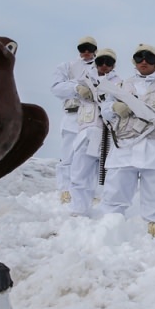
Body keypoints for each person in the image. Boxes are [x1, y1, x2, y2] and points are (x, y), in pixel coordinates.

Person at [99, 44, 155, 239]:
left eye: (149, 57)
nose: (144, 61)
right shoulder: (121, 87)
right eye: (140, 57)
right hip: (124, 147)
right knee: (115, 192)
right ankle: (109, 234)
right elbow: (105, 110)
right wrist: (114, 107)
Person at [67, 48, 120, 216]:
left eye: (108, 62)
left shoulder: (120, 84)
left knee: (108, 174)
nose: (104, 65)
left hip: (107, 133)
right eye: (100, 61)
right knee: (79, 171)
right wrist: (77, 87)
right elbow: (60, 88)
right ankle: (79, 209)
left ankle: (106, 212)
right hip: (86, 131)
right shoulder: (84, 78)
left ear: (114, 65)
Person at [50, 36, 97, 203]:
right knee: (68, 155)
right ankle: (65, 190)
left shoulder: (102, 65)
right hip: (73, 115)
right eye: (82, 48)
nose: (86, 52)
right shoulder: (67, 67)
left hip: (94, 117)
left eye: (90, 48)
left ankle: (91, 191)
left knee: (92, 156)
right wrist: (76, 88)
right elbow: (56, 88)